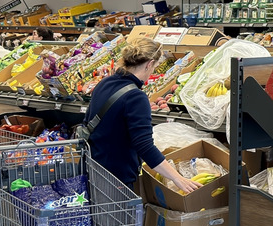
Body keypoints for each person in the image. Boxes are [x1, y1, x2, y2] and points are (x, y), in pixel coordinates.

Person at [84, 37, 201, 197]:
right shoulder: (135, 97)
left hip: (93, 168)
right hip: (116, 178)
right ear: (149, 64)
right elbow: (144, 146)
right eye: (155, 67)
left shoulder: (106, 83)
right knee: (120, 221)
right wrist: (178, 179)